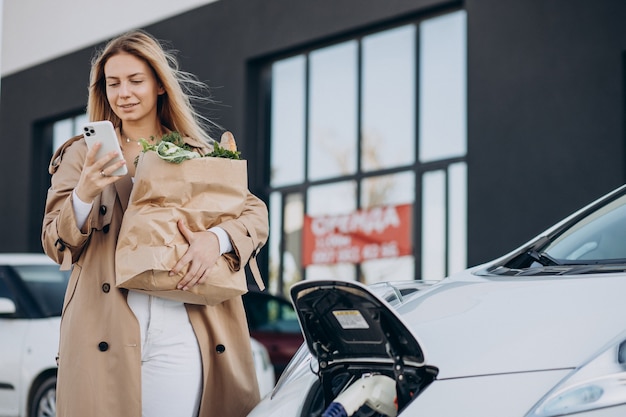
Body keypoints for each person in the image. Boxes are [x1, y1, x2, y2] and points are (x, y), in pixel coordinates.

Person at [41, 30, 269, 417]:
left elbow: (253, 213)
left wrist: (216, 240)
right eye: (113, 83)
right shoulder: (82, 153)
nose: (123, 93)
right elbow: (53, 241)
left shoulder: (196, 152)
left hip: (182, 316)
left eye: (135, 81)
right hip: (104, 321)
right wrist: (83, 193)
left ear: (160, 85)